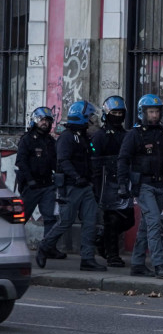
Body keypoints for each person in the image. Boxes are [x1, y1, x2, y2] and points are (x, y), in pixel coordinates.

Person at [37, 100, 106, 271]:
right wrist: (77, 177)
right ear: (82, 117)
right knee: (66, 221)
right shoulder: (67, 138)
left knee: (90, 222)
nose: (91, 120)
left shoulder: (83, 137)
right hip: (71, 187)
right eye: (89, 116)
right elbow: (63, 161)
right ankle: (44, 246)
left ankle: (87, 259)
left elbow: (90, 160)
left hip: (85, 186)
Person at [118, 94, 163, 278]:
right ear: (142, 113)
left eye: (157, 111)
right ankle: (159, 264)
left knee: (146, 225)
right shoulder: (134, 135)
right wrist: (122, 185)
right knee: (154, 222)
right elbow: (123, 160)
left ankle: (137, 264)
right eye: (151, 112)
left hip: (160, 184)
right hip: (143, 185)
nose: (154, 115)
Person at [91, 96, 134, 267]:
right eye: (114, 112)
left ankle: (103, 240)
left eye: (120, 112)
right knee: (112, 219)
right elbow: (94, 161)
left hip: (124, 180)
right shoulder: (100, 136)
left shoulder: (126, 134)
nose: (117, 115)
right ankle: (112, 255)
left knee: (128, 219)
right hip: (106, 183)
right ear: (107, 114)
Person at [16, 107, 60, 258]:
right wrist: (30, 180)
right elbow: (21, 162)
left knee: (50, 218)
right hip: (31, 186)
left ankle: (48, 248)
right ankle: (11, 246)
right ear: (35, 120)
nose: (45, 123)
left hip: (47, 185)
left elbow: (55, 162)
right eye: (42, 120)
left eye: (48, 121)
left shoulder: (50, 141)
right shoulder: (27, 139)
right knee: (20, 218)